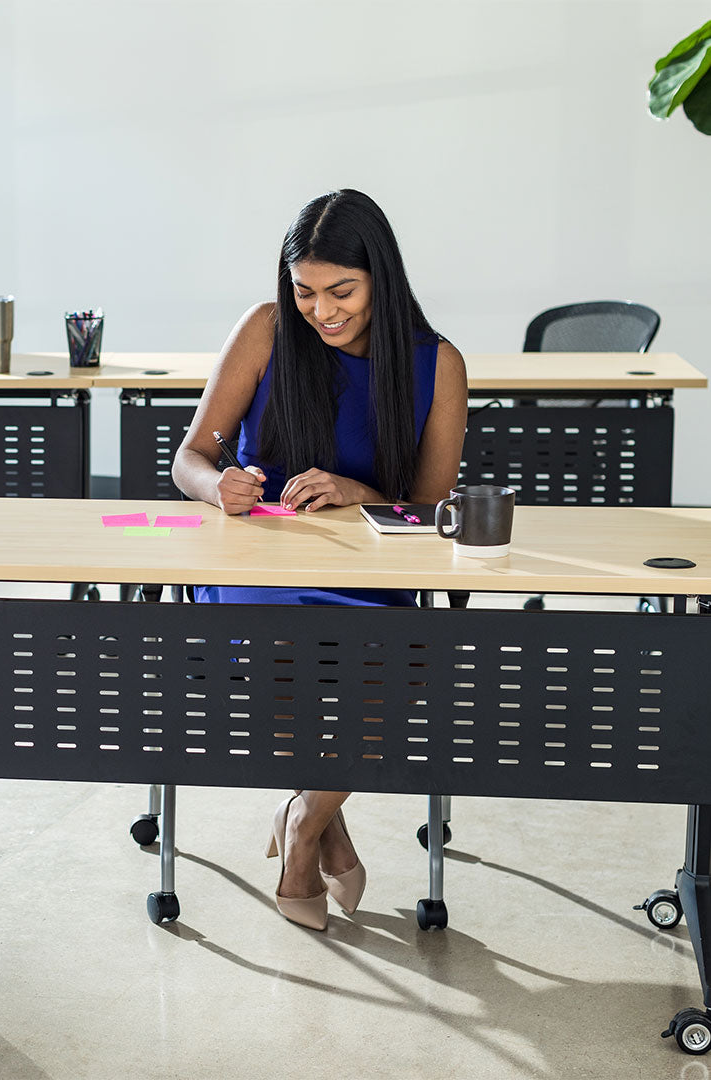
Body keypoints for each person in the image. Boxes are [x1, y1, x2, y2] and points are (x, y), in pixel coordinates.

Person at [171, 189, 467, 931]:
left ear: (382, 281)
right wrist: (219, 486)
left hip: (368, 571)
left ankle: (304, 820)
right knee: (277, 656)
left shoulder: (438, 364)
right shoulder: (267, 329)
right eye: (305, 291)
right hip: (257, 565)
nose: (322, 310)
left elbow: (433, 511)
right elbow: (190, 457)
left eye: (343, 292)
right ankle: (319, 830)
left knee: (401, 670)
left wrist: (356, 489)